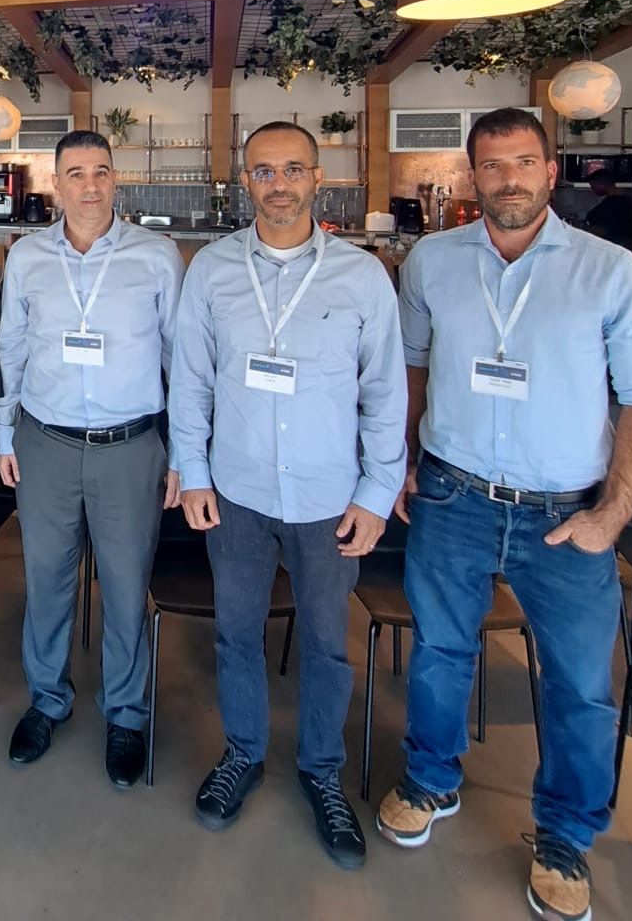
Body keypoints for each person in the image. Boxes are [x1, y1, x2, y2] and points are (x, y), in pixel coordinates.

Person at [377, 108, 632, 921]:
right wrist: (401, 460)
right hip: (453, 496)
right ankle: (430, 779)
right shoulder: (433, 262)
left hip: (567, 515)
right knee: (439, 653)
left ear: (550, 171)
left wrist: (612, 516)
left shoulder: (611, 273)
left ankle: (566, 837)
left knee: (579, 684)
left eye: (522, 163)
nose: (507, 179)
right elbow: (411, 368)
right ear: (472, 176)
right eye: (491, 165)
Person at [169, 121, 406, 868]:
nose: (279, 184)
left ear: (317, 178)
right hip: (235, 492)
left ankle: (321, 772)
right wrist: (192, 470)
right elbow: (191, 378)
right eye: (265, 171)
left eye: (293, 169)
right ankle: (243, 752)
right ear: (247, 181)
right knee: (236, 634)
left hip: (329, 499)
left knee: (328, 646)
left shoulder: (362, 276)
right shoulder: (211, 269)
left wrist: (377, 490)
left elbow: (385, 391)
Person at [0, 129, 183, 791]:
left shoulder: (156, 255)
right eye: (75, 173)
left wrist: (184, 453)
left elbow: (180, 357)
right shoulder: (26, 256)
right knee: (46, 581)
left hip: (129, 447)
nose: (90, 185)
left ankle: (125, 713)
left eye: (101, 171)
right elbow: (11, 348)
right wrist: (2, 434)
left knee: (127, 587)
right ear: (56, 183)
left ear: (115, 178)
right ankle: (47, 700)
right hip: (44, 443)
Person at [581, 168, 632, 250]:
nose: (592, 190)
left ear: (601, 184)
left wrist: (584, 229)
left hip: (612, 246)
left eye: (593, 187)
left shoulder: (609, 205)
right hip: (626, 246)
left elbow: (600, 230)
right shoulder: (630, 201)